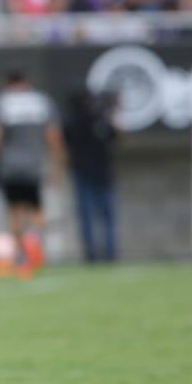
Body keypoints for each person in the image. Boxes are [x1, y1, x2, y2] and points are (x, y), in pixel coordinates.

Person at [0, 70, 64, 279]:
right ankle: (34, 252)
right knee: (36, 211)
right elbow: (53, 137)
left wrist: (1, 155)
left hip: (10, 166)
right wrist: (55, 166)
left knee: (14, 213)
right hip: (35, 165)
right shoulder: (42, 102)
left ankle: (21, 257)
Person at [63, 88, 118, 263]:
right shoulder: (87, 122)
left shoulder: (93, 121)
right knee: (99, 216)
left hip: (96, 173)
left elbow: (115, 136)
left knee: (96, 216)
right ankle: (100, 252)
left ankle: (100, 252)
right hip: (91, 174)